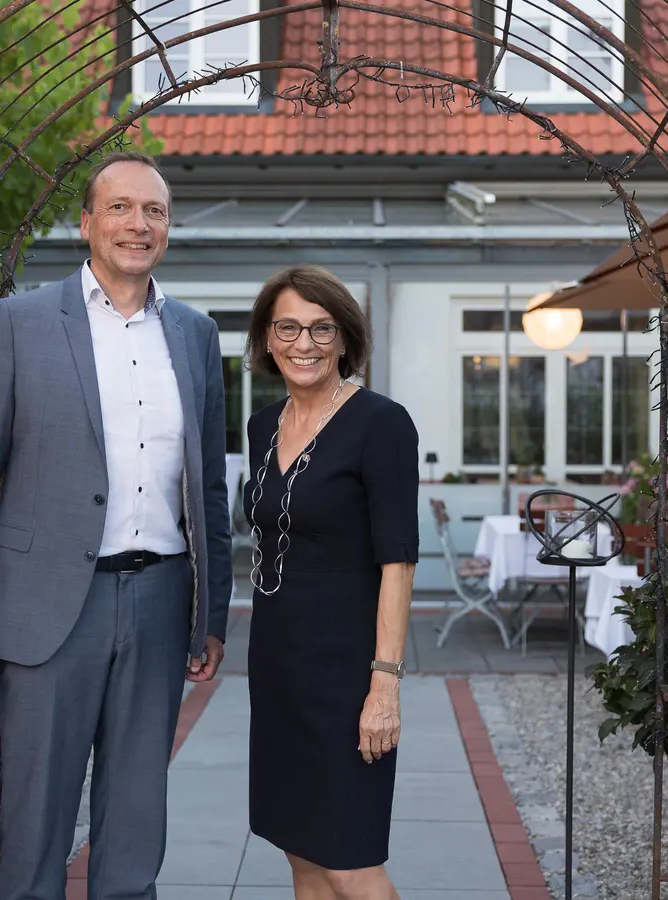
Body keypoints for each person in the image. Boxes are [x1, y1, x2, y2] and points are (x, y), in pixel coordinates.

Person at [0, 150, 233, 900]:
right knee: (35, 826)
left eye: (155, 211)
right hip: (45, 608)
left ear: (169, 228)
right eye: (122, 208)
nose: (139, 224)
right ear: (87, 223)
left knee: (136, 823)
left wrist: (211, 615)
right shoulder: (21, 323)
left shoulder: (195, 335)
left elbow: (208, 487)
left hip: (162, 602)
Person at [243, 265, 419, 899]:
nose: (304, 343)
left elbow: (398, 561)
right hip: (278, 665)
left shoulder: (382, 423)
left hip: (348, 673)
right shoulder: (263, 427)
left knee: (349, 860)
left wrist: (385, 685)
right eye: (287, 327)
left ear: (345, 339)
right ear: (266, 338)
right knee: (302, 852)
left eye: (322, 329)